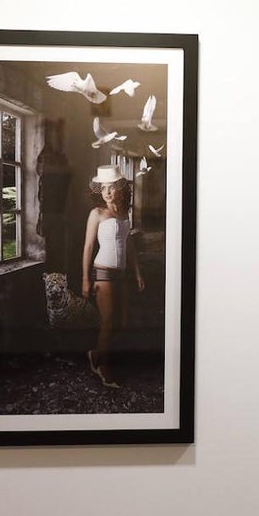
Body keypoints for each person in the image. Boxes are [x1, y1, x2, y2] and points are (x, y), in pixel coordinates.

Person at [82, 165, 145, 388]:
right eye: (103, 188)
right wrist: (85, 279)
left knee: (123, 322)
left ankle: (95, 354)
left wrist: (137, 272)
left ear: (120, 188)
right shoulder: (97, 213)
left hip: (122, 273)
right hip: (103, 273)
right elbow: (88, 247)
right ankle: (103, 367)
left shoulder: (124, 212)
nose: (107, 192)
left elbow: (129, 244)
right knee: (108, 322)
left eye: (111, 187)